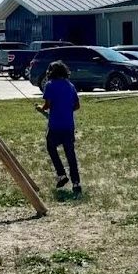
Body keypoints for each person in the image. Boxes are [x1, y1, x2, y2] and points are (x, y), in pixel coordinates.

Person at [37, 60, 82, 196]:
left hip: (55, 125)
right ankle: (76, 183)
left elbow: (47, 105)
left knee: (51, 147)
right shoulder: (70, 86)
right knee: (70, 154)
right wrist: (66, 108)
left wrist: (40, 108)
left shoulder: (50, 85)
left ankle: (61, 174)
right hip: (68, 125)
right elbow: (77, 106)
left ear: (51, 72)